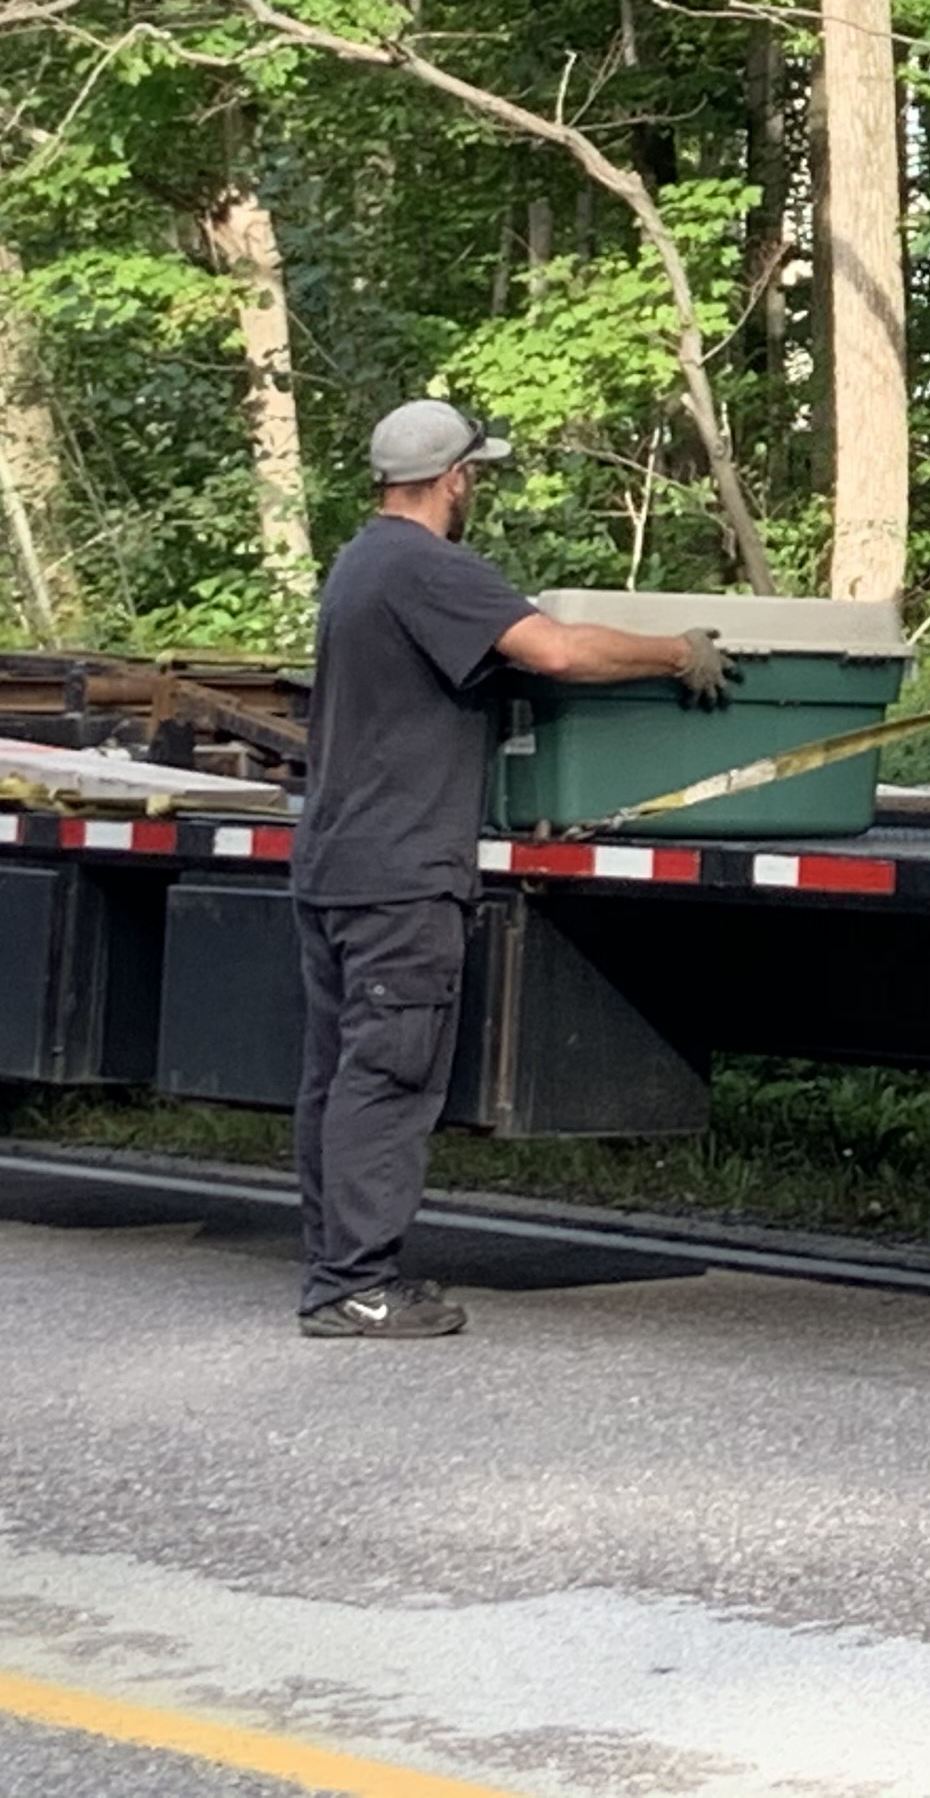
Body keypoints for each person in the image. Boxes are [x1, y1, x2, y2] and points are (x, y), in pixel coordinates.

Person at [291, 399, 730, 1337]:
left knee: (340, 1077)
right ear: (454, 479)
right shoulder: (427, 567)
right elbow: (557, 651)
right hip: (401, 871)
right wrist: (675, 653)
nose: (473, 488)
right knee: (388, 1077)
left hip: (338, 860)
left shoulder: (360, 562)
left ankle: (337, 1271)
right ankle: (353, 1285)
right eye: (474, 475)